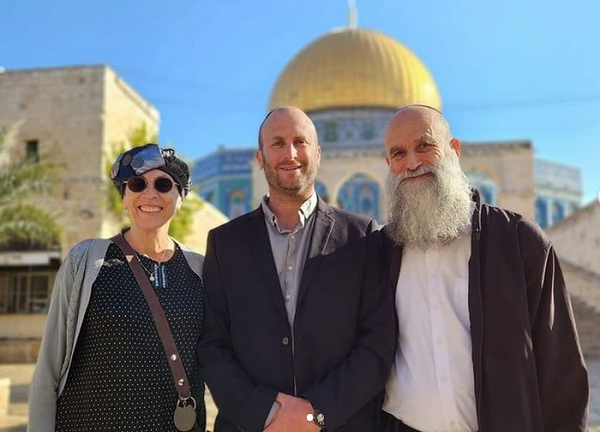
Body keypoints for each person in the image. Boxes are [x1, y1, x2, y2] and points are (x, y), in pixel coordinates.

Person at [380, 105, 589, 432]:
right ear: (389, 165)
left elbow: (562, 374)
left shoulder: (519, 242)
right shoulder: (381, 253)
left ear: (454, 150)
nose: (412, 162)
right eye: (398, 153)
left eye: (425, 146)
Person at [198, 106, 396, 432]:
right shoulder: (226, 243)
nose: (290, 153)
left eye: (300, 141)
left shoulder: (362, 238)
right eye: (277, 143)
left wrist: (317, 413)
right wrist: (266, 413)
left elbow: (377, 343)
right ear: (260, 158)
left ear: (318, 154)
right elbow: (212, 343)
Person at [28, 143, 206, 432]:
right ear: (124, 197)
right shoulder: (87, 261)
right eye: (137, 184)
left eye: (163, 184)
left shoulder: (199, 271)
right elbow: (48, 368)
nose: (150, 194)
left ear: (180, 196)